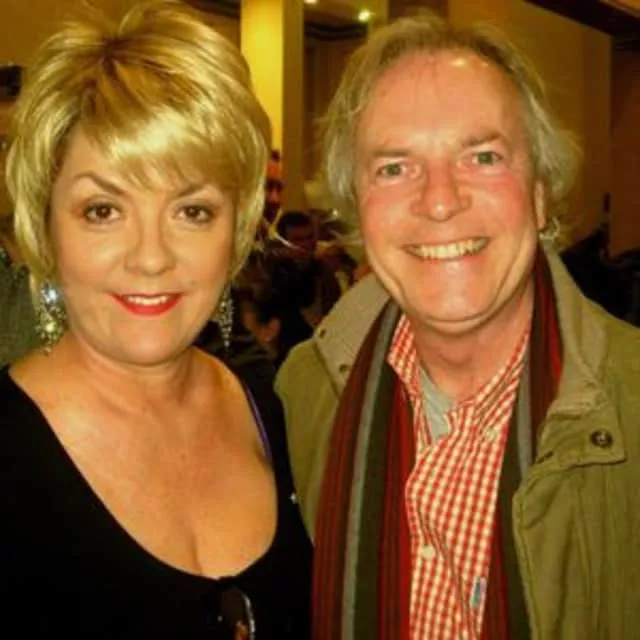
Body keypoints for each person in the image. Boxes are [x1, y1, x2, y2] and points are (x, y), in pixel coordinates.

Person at [275, 11, 640, 640]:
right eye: (394, 167)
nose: (440, 200)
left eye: (483, 156)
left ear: (540, 192)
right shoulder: (306, 391)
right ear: (357, 204)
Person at [0, 2, 311, 636]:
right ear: (47, 225)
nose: (150, 257)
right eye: (103, 210)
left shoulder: (273, 413)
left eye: (192, 211)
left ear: (236, 230)